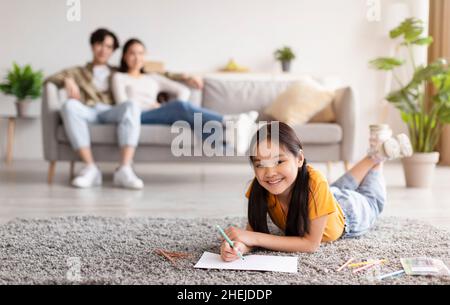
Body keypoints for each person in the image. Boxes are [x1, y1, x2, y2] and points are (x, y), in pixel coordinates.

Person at [219, 122, 413, 261]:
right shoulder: (259, 187)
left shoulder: (315, 182)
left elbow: (310, 244)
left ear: (299, 159)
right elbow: (251, 233)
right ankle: (375, 154)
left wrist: (252, 238)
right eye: (260, 164)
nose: (269, 172)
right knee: (337, 187)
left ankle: (378, 161)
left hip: (349, 213)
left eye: (279, 161)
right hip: (328, 197)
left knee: (372, 200)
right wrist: (239, 247)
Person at [112, 38, 259, 154]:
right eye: (132, 53)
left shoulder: (153, 78)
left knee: (188, 118)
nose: (137, 57)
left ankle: (227, 141)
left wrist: (166, 109)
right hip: (135, 116)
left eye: (140, 53)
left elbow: (183, 91)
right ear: (125, 56)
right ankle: (229, 120)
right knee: (179, 108)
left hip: (156, 113)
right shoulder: (119, 77)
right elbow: (123, 105)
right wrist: (160, 107)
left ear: (145, 57)